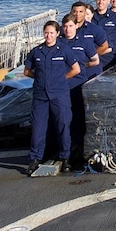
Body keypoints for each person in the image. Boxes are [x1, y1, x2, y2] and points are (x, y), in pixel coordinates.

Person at [23, 21, 80, 174]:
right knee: (38, 127)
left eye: (51, 33)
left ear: (57, 33)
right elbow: (27, 71)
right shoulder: (37, 51)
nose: (49, 36)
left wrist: (61, 79)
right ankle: (35, 158)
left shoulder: (64, 50)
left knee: (62, 125)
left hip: (59, 93)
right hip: (41, 95)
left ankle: (65, 158)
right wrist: (39, 78)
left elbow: (76, 69)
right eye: (46, 33)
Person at [60, 15, 99, 169]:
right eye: (65, 26)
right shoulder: (59, 43)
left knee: (79, 118)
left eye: (70, 26)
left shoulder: (84, 42)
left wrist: (81, 67)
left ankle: (79, 148)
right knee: (64, 119)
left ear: (75, 26)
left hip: (78, 85)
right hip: (62, 86)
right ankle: (65, 149)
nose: (68, 29)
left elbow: (95, 60)